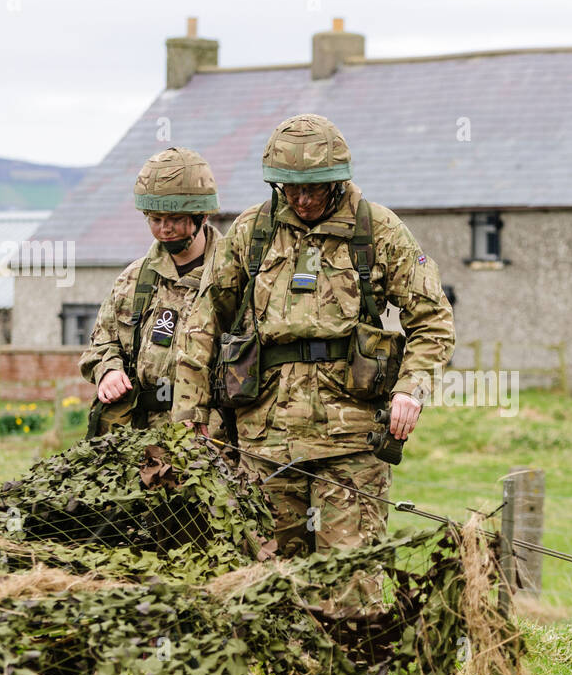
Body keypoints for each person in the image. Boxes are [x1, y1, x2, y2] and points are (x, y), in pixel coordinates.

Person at [173, 114, 454, 565]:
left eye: (314, 188)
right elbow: (203, 320)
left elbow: (433, 318)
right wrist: (190, 411)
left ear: (338, 182)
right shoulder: (252, 232)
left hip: (351, 443)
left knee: (350, 582)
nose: (302, 200)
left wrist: (410, 390)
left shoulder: (378, 231)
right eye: (291, 189)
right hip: (264, 439)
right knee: (269, 584)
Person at [80, 147, 223, 437]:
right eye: (155, 220)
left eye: (174, 220)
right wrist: (108, 371)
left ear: (202, 216)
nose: (164, 230)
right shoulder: (133, 280)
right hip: (142, 437)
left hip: (212, 436)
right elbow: (101, 344)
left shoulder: (232, 276)